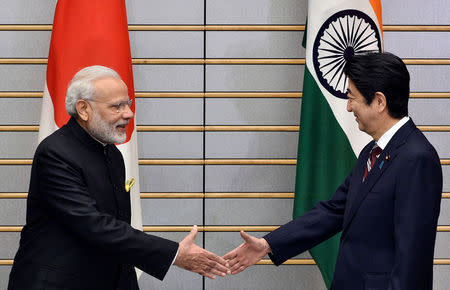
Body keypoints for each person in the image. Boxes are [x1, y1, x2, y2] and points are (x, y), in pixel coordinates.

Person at [223, 52, 443, 290]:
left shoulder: (417, 158)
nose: (348, 107)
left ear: (379, 102)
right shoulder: (372, 150)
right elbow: (334, 210)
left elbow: (412, 261)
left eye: (352, 98)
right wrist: (268, 244)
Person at [8, 65, 230, 290]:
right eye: (117, 106)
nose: (129, 113)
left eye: (128, 104)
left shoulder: (112, 153)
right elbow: (94, 225)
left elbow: (117, 229)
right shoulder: (55, 153)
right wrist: (174, 254)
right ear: (83, 109)